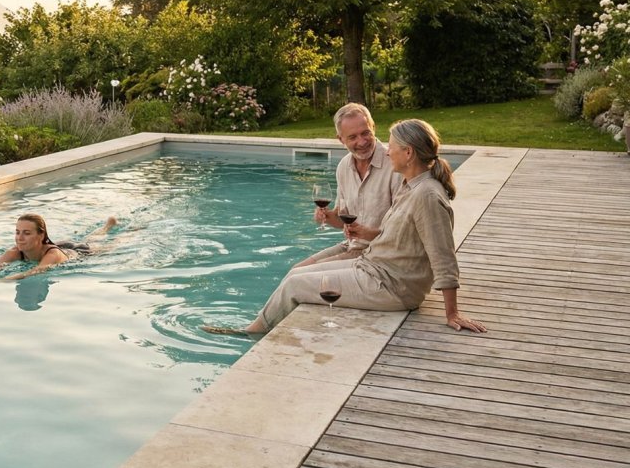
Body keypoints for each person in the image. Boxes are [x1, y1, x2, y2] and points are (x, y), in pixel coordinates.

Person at [207, 119, 487, 335]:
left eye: (391, 146)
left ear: (409, 153)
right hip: (373, 267)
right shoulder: (410, 186)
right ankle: (259, 325)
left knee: (294, 285)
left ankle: (252, 333)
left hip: (391, 286)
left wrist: (452, 313)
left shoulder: (426, 195)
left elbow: (443, 255)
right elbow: (399, 238)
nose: (387, 151)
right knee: (297, 273)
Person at [296, 102, 402, 268]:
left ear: (373, 127)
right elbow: (342, 220)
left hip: (381, 254)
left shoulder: (395, 164)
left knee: (300, 278)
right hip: (352, 246)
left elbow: (403, 231)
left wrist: (366, 233)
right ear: (341, 139)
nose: (362, 142)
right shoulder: (344, 167)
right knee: (296, 270)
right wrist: (327, 216)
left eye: (365, 133)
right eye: (353, 137)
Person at [0, 214, 117, 285]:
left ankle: (117, 230)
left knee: (102, 246)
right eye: (17, 232)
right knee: (89, 238)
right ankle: (106, 226)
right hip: (60, 244)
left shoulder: (52, 254)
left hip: (77, 253)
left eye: (27, 233)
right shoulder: (15, 251)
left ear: (40, 235)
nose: (20, 238)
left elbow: (34, 271)